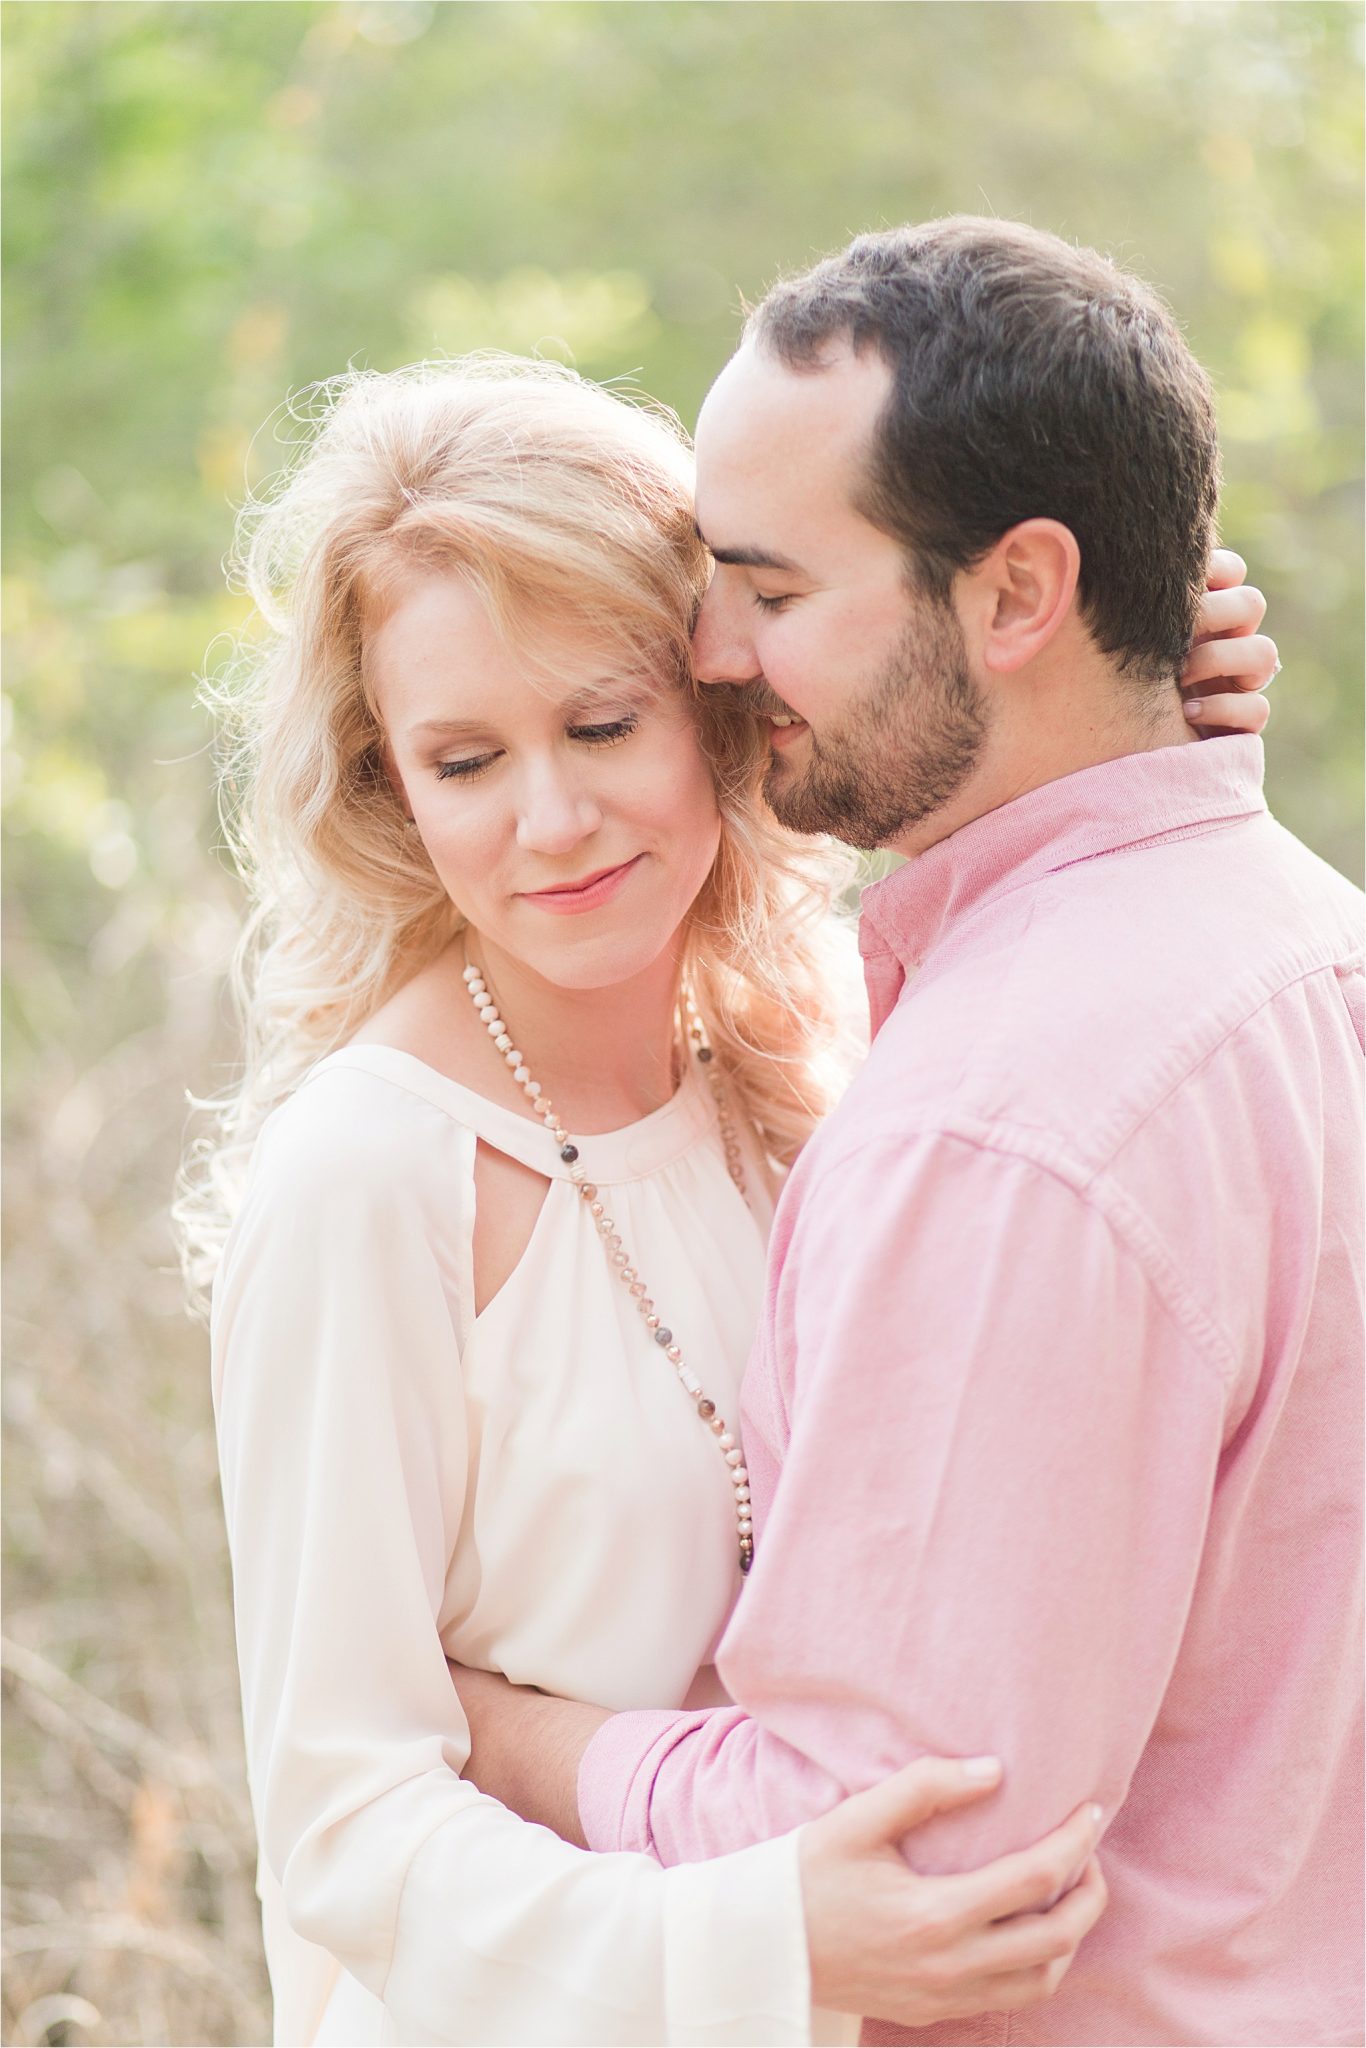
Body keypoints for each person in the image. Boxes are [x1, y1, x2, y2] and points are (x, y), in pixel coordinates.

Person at [185, 347, 1271, 2047]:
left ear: (722, 699)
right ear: (388, 784)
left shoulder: (833, 1048)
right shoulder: (371, 1179)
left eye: (602, 724)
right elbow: (340, 1829)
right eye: (463, 761)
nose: (551, 819)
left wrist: (1153, 694)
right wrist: (757, 1946)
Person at [451, 220, 1363, 2047]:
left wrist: (496, 1731)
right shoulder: (1308, 949)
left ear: (1022, 594)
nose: (709, 653)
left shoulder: (1003, 1128)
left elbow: (892, 1853)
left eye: (771, 595)